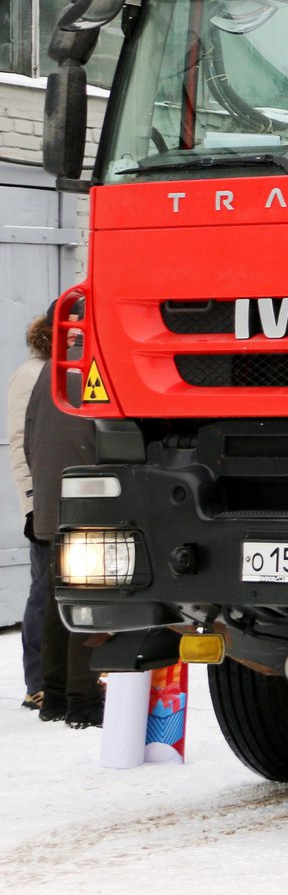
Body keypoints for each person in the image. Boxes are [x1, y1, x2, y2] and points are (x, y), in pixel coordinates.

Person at [26, 307, 102, 727]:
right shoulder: (95, 367)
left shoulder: (50, 370)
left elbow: (28, 436)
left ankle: (54, 696)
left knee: (59, 602)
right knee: (89, 601)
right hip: (90, 502)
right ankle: (84, 701)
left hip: (54, 500)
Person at [7, 315, 50, 711]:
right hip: (44, 503)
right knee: (43, 591)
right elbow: (22, 444)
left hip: (72, 498)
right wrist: (32, 502)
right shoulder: (32, 374)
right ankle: (36, 681)